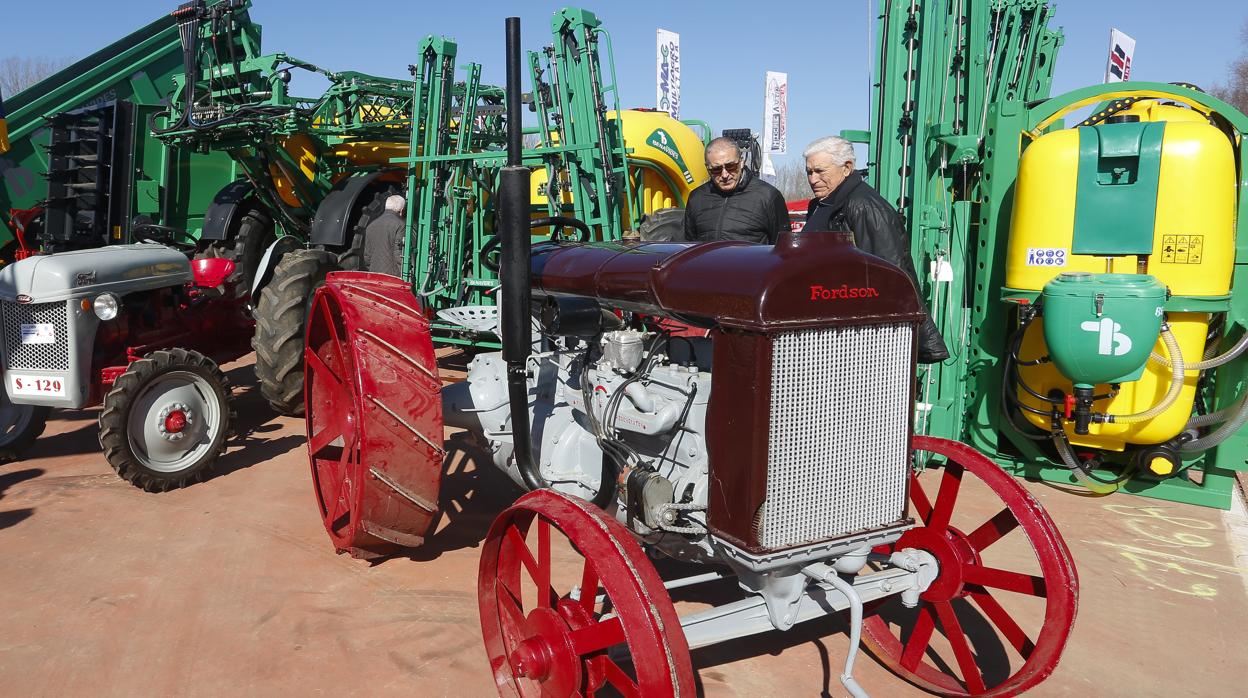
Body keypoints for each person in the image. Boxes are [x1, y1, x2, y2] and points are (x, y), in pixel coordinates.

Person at [802, 136, 950, 364]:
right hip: (824, 324)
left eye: (820, 171)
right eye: (809, 172)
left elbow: (889, 274)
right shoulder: (820, 205)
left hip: (854, 336)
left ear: (847, 168)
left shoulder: (865, 206)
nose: (813, 179)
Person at [682, 137, 787, 244]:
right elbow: (689, 246)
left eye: (731, 166)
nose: (724, 175)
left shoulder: (768, 196)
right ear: (707, 168)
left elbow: (783, 250)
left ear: (741, 162)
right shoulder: (697, 198)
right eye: (716, 169)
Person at [362, 194, 406, 277]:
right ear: (402, 210)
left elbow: (367, 257)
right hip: (393, 278)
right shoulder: (401, 225)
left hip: (374, 276)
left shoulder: (371, 226)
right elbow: (399, 253)